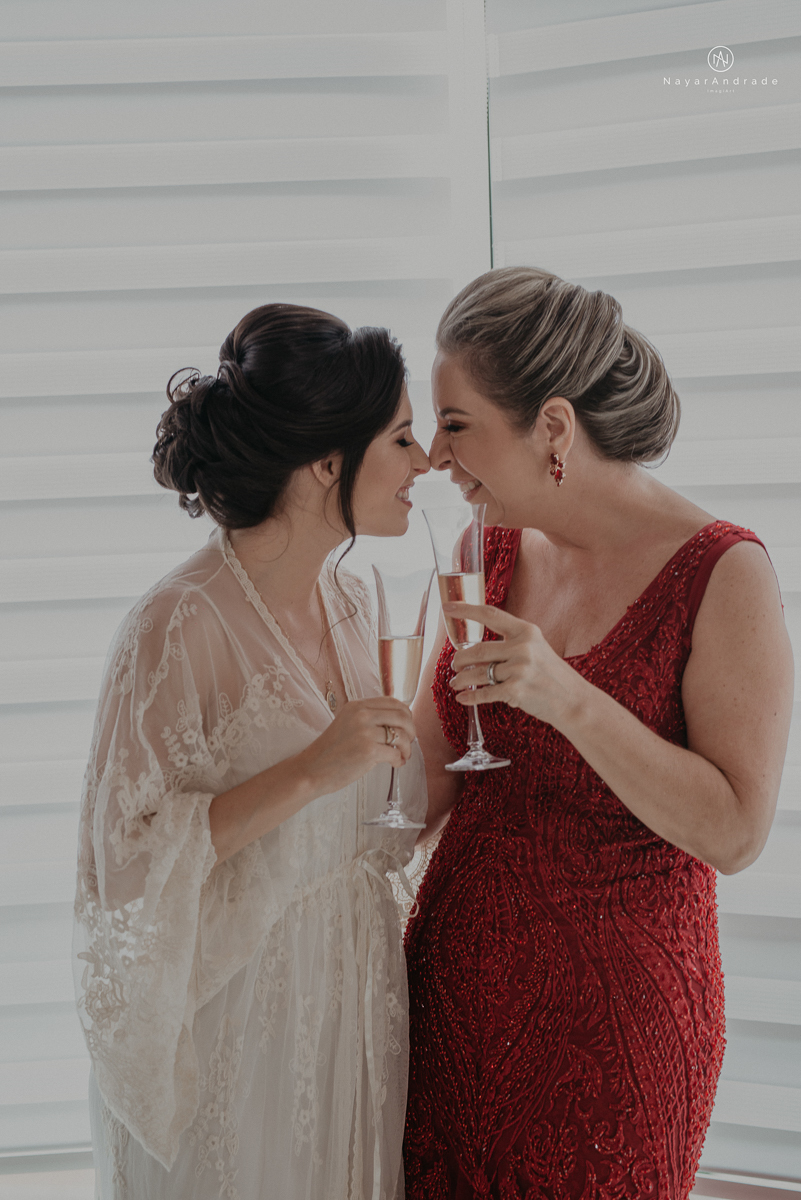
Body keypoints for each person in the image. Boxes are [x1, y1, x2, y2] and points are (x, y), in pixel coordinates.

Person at [403, 267, 793, 1200]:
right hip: (450, 1012)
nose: (434, 457)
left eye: (456, 426)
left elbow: (734, 830)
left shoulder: (722, 572)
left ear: (551, 427)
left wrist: (567, 697)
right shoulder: (479, 554)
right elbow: (426, 784)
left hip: (616, 1036)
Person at [73, 303, 430, 1199]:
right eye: (400, 439)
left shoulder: (359, 605)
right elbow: (123, 860)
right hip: (242, 1017)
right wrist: (310, 771)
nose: (422, 462)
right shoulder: (177, 622)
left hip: (353, 1002)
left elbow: (389, 824)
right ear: (324, 465)